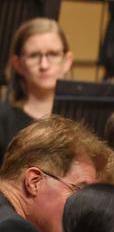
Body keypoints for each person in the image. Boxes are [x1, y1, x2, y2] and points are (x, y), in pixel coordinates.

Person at [1, 18, 73, 157]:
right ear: (18, 64)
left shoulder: (82, 119)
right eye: (34, 55)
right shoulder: (3, 119)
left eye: (53, 54)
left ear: (67, 61)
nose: (44, 65)